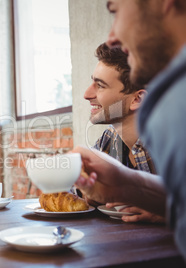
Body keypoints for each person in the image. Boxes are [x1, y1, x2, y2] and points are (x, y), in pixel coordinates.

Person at [74, 0, 186, 260]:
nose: (113, 34)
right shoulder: (107, 142)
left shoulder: (174, 114)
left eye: (115, 11)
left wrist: (169, 210)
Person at [84, 43, 164, 223]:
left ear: (137, 99)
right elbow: (76, 195)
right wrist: (88, 195)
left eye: (100, 85)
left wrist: (169, 211)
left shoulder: (174, 140)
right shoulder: (109, 140)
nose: (87, 94)